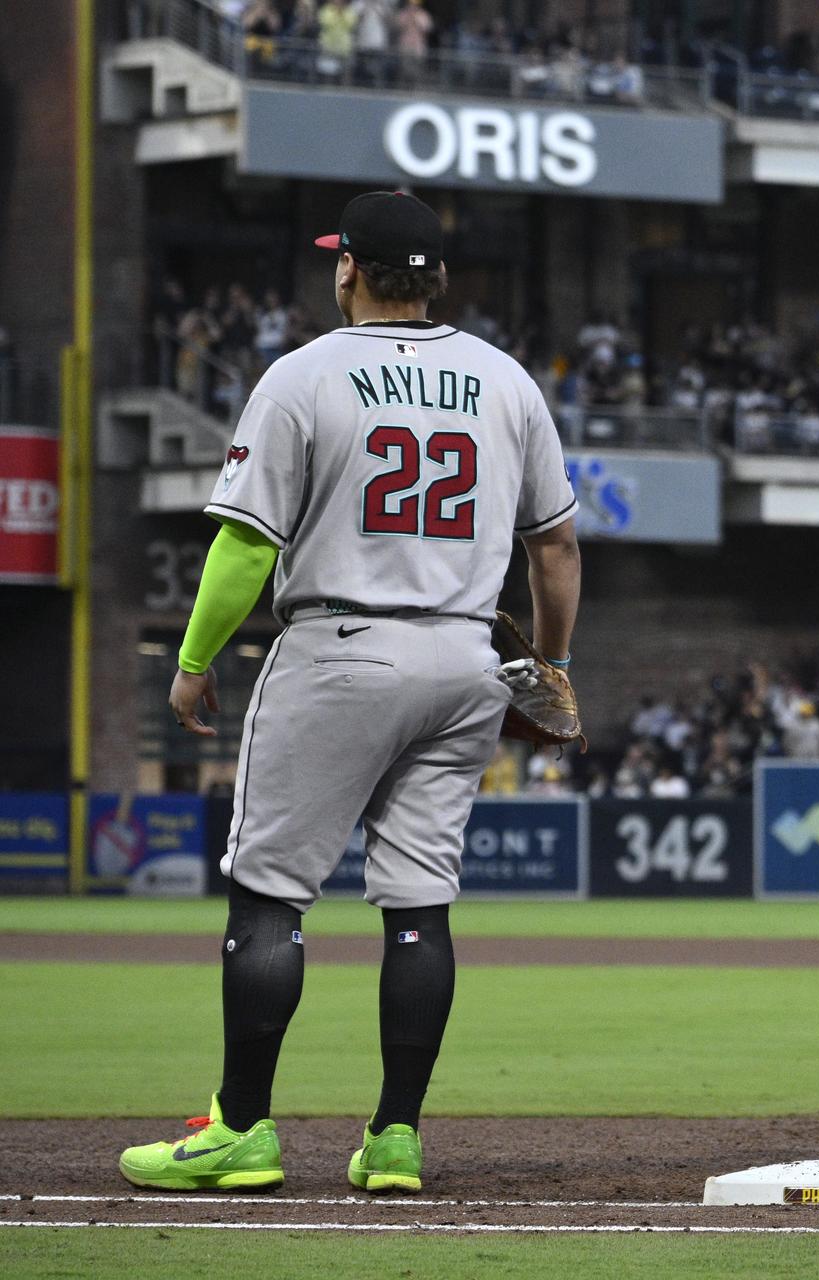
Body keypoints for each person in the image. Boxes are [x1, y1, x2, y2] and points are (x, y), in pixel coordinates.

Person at [117, 191, 581, 1196]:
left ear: (348, 270)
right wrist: (548, 666)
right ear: (437, 279)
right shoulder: (506, 380)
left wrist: (193, 660)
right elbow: (555, 547)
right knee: (419, 905)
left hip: (340, 646)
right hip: (464, 659)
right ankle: (396, 1138)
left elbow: (247, 545)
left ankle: (242, 1127)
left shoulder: (304, 374)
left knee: (269, 895)